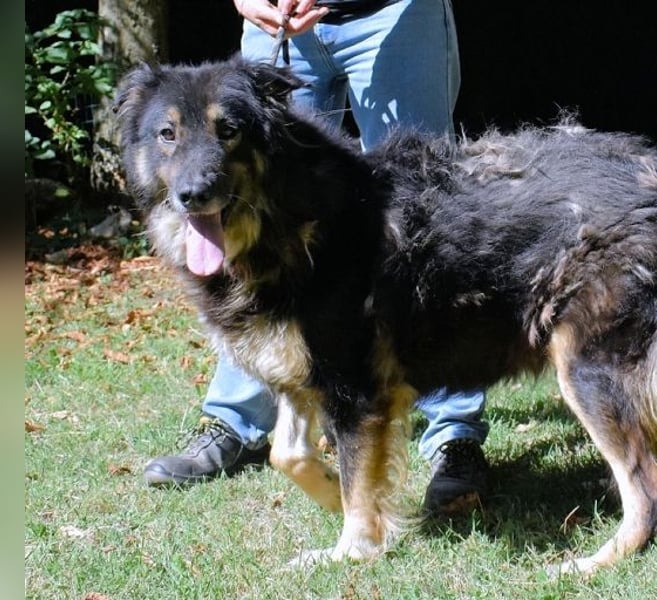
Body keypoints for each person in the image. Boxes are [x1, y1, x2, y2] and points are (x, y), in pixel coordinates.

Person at [143, 0, 490, 515]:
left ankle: (452, 434)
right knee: (256, 222)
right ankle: (237, 421)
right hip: (274, 22)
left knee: (428, 217)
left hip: (392, 17)